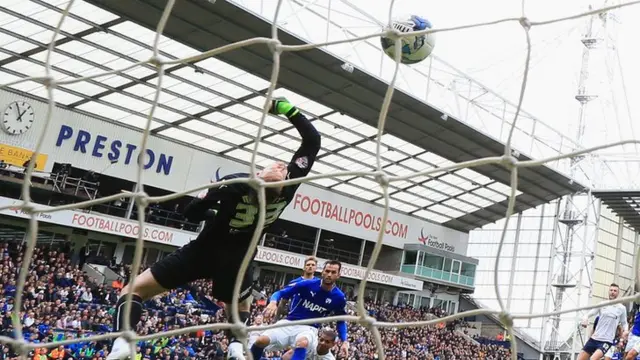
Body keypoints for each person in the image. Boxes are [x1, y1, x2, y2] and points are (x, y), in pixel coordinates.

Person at [106, 98, 321, 360]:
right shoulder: (288, 187)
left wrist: (214, 211)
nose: (280, 164)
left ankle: (122, 340)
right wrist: (286, 109)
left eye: (278, 166)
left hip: (204, 249)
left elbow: (190, 213)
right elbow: (312, 139)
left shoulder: (233, 183)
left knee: (133, 290)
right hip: (238, 258)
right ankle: (235, 347)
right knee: (240, 304)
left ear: (259, 175)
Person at [250, 260, 349, 360]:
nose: (329, 275)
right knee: (260, 340)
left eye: (333, 272)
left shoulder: (339, 297)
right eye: (327, 271)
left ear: (338, 275)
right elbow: (280, 293)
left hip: (309, 328)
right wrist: (273, 302)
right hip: (289, 322)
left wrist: (344, 341)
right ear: (322, 272)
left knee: (302, 343)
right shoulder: (306, 284)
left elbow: (341, 321)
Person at [579, 283, 628, 360]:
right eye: (611, 290)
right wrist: (585, 319)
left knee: (593, 359)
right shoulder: (602, 304)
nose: (612, 292)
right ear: (608, 291)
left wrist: (625, 331)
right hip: (594, 338)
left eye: (615, 291)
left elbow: (624, 323)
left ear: (618, 293)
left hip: (606, 341)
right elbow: (588, 314)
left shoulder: (621, 308)